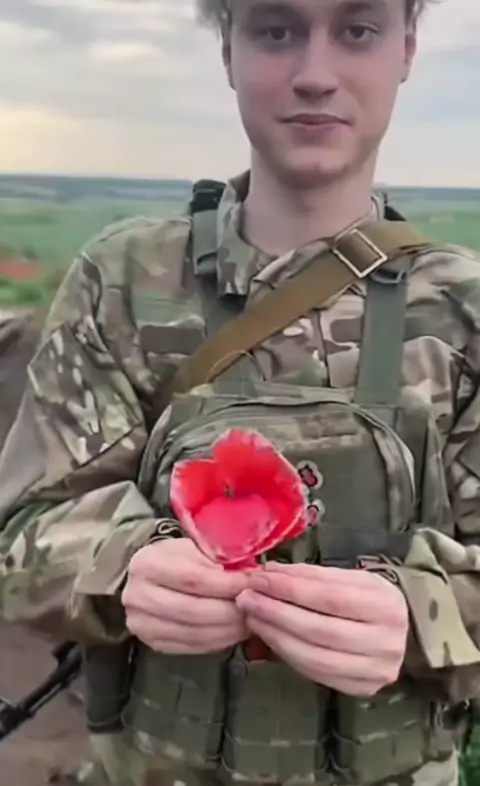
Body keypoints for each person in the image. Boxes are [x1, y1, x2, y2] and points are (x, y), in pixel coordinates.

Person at [0, 0, 480, 785]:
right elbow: (21, 534)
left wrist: (425, 616)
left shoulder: (463, 309)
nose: (315, 75)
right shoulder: (124, 281)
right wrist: (124, 565)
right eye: (276, 30)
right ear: (228, 47)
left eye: (357, 30)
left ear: (407, 49)